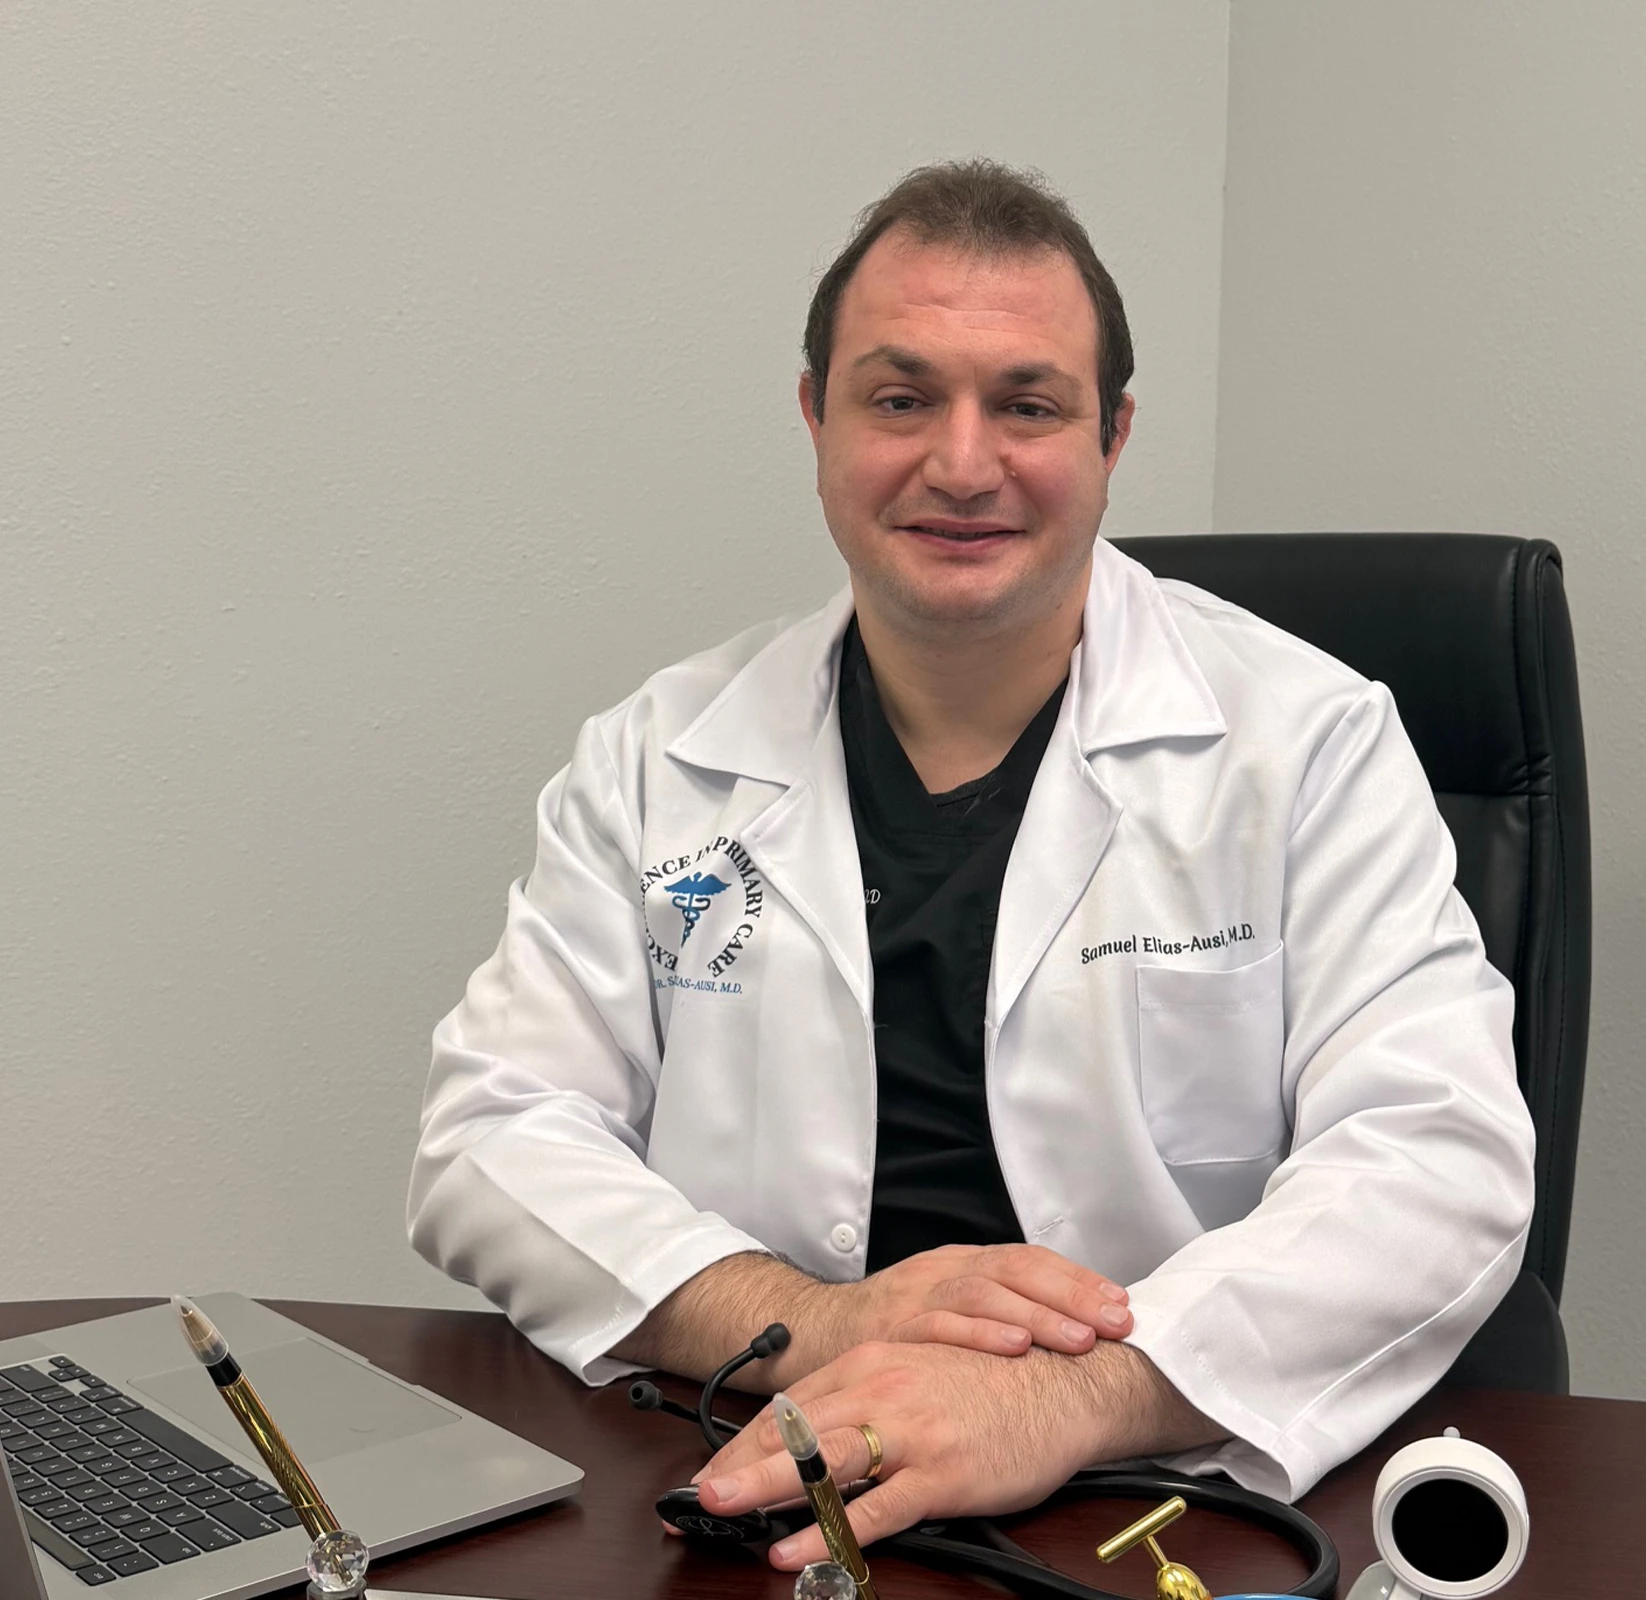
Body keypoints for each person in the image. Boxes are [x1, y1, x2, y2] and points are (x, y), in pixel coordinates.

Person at [407, 159, 1535, 1572]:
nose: (960, 462)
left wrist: (1057, 1399)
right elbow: (490, 1136)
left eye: (1027, 403)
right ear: (815, 415)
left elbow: (1440, 1156)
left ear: (1113, 434)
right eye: (899, 397)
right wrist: (813, 1321)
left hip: (1159, 1484)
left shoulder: (1306, 743)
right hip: (762, 1469)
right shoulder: (660, 758)